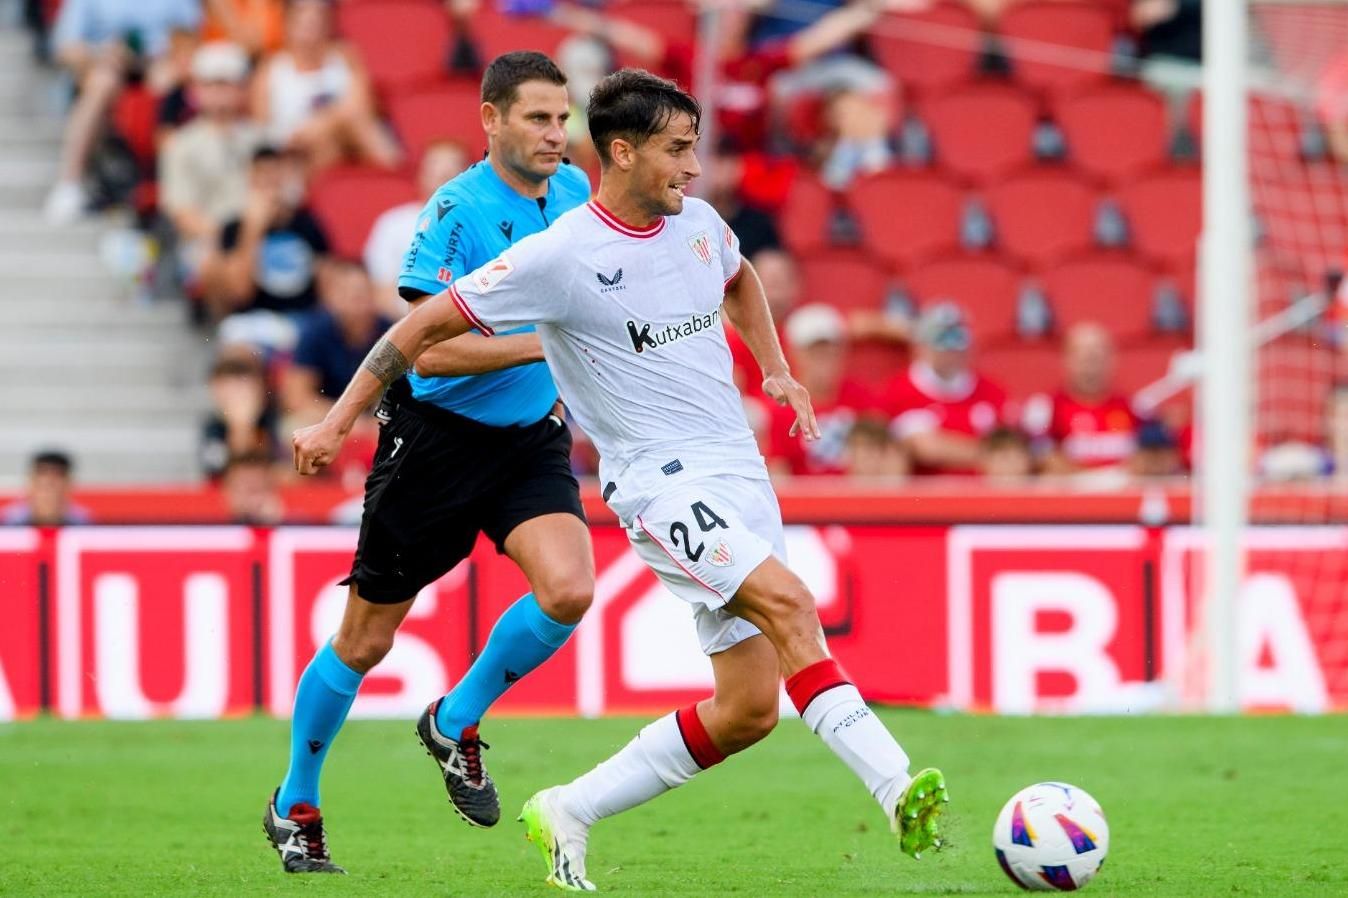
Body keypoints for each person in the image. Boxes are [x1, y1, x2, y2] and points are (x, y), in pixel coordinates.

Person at [293, 69, 947, 891]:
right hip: (656, 483)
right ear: (626, 152)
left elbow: (737, 277)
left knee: (748, 710)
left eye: (696, 148)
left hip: (737, 474)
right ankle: (898, 789)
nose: (695, 168)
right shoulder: (563, 253)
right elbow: (422, 326)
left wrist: (775, 368)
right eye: (679, 150)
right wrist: (336, 419)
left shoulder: (700, 224)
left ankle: (569, 807)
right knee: (791, 604)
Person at [262, 52, 596, 875]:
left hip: (526, 439)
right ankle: (294, 801)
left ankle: (454, 720)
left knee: (570, 589)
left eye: (563, 119)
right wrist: (551, 341)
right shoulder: (456, 212)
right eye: (538, 119)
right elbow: (429, 359)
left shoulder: (576, 195)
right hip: (435, 444)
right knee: (365, 640)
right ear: (492, 119)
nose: (557, 134)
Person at [43, 0, 202, 223]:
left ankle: (165, 186)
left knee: (165, 80)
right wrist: (100, 53)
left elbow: (191, 41)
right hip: (105, 70)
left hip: (158, 68)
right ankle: (70, 182)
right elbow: (64, 49)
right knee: (102, 83)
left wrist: (153, 57)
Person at [200, 146, 330, 346]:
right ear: (250, 180)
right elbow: (240, 293)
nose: (269, 182)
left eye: (275, 174)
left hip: (302, 320)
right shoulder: (234, 229)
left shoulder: (308, 224)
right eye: (261, 175)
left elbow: (325, 289)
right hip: (253, 322)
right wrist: (253, 229)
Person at [250, 0, 401, 171]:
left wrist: (322, 124)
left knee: (357, 126)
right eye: (304, 20)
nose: (311, 26)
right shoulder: (271, 69)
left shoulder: (346, 57)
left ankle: (398, 177)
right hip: (295, 150)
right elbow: (261, 131)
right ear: (288, 23)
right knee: (323, 143)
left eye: (318, 19)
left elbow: (362, 107)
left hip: (346, 137)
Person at [158, 42, 265, 277]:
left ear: (242, 88)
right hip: (207, 242)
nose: (219, 92)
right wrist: (231, 237)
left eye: (226, 84)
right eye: (211, 84)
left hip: (261, 238)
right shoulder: (180, 144)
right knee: (213, 262)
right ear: (196, 90)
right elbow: (182, 212)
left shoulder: (262, 139)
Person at [883, 302, 1008, 476]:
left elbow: (1011, 452)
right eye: (941, 338)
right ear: (921, 345)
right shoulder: (900, 391)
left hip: (982, 494)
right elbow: (925, 448)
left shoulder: (992, 392)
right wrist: (989, 454)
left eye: (958, 337)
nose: (951, 348)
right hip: (926, 497)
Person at [767, 303, 882, 476]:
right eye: (815, 352)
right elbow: (779, 472)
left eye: (830, 351)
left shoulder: (860, 397)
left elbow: (882, 454)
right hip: (806, 499)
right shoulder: (781, 408)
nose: (824, 359)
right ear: (794, 353)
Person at [363, 140, 469, 318]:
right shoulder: (392, 224)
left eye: (452, 171)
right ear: (421, 176)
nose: (444, 176)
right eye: (436, 170)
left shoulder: (484, 226)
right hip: (404, 328)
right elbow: (381, 294)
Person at [281, 259, 392, 425]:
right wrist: (349, 421)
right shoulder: (315, 331)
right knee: (293, 425)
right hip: (327, 417)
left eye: (364, 295)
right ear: (333, 298)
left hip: (375, 420)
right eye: (352, 296)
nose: (359, 306)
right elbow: (297, 398)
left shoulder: (391, 331)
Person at [1024, 323, 1140, 475]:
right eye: (1083, 358)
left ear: (1113, 360)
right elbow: (1040, 457)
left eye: (1096, 358)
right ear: (1066, 360)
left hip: (1122, 494)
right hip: (1069, 495)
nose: (1091, 368)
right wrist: (1091, 480)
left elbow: (1156, 456)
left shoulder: (1135, 407)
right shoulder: (1044, 408)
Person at [200, 345, 280, 480]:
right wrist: (240, 427)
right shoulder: (213, 427)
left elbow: (282, 471)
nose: (237, 397)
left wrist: (244, 426)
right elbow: (217, 473)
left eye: (243, 388)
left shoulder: (275, 421)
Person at [2, 451, 92, 526]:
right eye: (43, 487)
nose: (48, 495)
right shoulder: (7, 523)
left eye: (53, 486)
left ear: (68, 485)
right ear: (31, 484)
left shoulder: (86, 525)